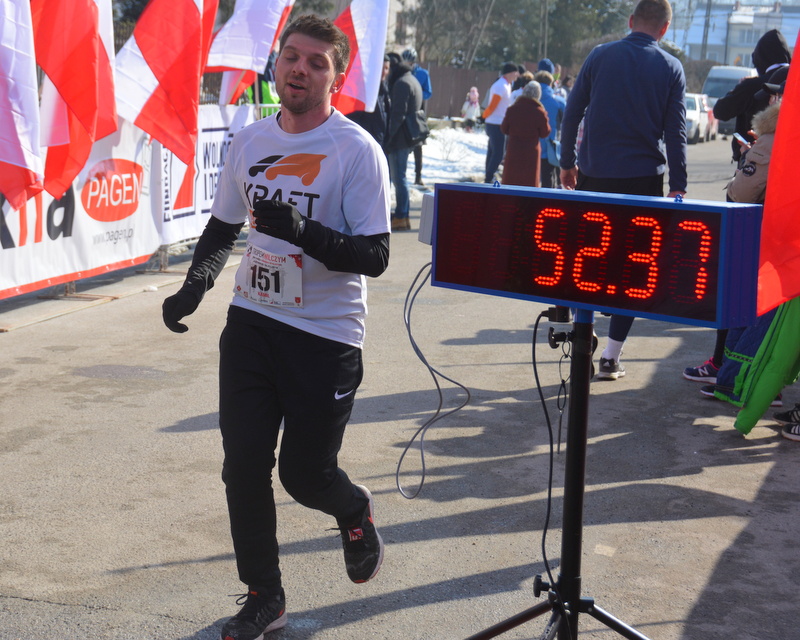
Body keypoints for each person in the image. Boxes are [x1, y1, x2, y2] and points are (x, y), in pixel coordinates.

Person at [161, 15, 390, 640]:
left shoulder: (356, 150)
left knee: (304, 475)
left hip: (325, 335)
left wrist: (303, 231)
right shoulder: (251, 140)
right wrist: (194, 287)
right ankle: (265, 596)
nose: (300, 69)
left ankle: (352, 508)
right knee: (242, 466)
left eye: (317, 62)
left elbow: (375, 255)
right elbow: (222, 227)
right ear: (276, 63)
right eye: (291, 56)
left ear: (337, 76)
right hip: (253, 322)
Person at [559, 0, 687, 380]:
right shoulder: (671, 68)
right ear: (664, 29)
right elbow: (676, 132)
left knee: (585, 261)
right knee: (633, 269)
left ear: (631, 21)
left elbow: (573, 111)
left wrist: (567, 162)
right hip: (644, 181)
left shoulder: (600, 56)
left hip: (595, 174)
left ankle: (584, 335)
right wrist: (678, 186)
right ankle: (611, 357)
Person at [713, 29, 791, 163]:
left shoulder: (751, 86)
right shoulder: (795, 82)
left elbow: (721, 111)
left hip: (753, 160)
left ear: (760, 59)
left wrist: (738, 88)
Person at [385, 52, 423, 230]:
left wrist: (388, 137)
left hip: (399, 138)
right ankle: (403, 215)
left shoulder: (401, 83)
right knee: (400, 177)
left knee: (398, 178)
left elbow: (398, 114)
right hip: (408, 136)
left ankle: (401, 215)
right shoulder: (412, 79)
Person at [500, 81, 550, 187]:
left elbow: (504, 129)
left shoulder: (512, 109)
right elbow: (545, 133)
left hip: (514, 149)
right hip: (531, 153)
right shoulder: (539, 112)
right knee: (529, 184)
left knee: (511, 181)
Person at [482, 62, 520, 183]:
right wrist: (483, 116)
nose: (517, 75)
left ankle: (488, 176)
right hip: (496, 123)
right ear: (510, 73)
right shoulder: (501, 86)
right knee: (498, 153)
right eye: (516, 72)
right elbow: (493, 105)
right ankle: (489, 177)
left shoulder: (506, 85)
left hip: (497, 122)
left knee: (492, 152)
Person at [401, 48, 432, 186]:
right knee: (403, 144)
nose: (407, 65)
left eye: (409, 62)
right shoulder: (400, 73)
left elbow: (428, 92)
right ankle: (401, 173)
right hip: (404, 111)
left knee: (418, 146)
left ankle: (418, 176)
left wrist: (417, 95)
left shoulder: (423, 74)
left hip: (418, 112)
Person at [347, 54, 391, 149]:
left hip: (380, 141)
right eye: (381, 68)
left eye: (386, 68)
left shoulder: (385, 89)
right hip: (366, 143)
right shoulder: (363, 89)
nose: (384, 72)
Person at [534, 70, 566, 189]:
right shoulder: (559, 102)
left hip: (532, 146)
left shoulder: (530, 100)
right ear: (551, 83)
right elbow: (565, 122)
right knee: (550, 180)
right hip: (551, 147)